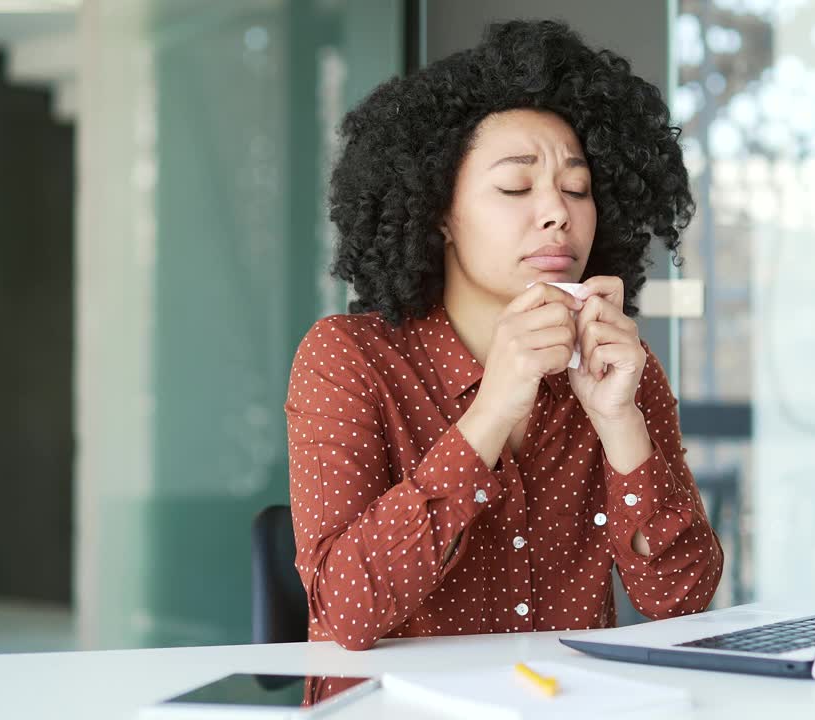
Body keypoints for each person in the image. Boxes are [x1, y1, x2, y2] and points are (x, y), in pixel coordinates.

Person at [284, 19, 724, 650]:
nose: (557, 212)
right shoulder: (348, 359)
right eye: (517, 186)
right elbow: (346, 612)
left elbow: (682, 602)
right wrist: (491, 412)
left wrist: (620, 422)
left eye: (577, 189)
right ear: (439, 213)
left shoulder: (618, 367)